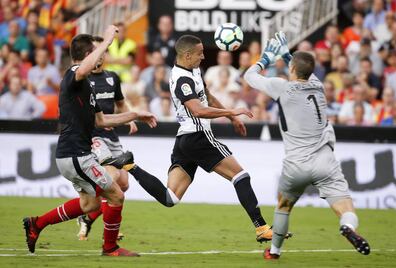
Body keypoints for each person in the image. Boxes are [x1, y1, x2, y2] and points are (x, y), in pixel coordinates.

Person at [124, 35, 275, 243]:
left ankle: (130, 165)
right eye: (200, 53)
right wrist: (233, 110)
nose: (203, 56)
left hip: (184, 141)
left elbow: (207, 96)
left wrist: (231, 118)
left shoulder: (193, 70)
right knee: (240, 176)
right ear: (187, 55)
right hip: (198, 137)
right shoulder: (181, 79)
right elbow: (198, 109)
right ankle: (261, 227)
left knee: (171, 198)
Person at [22, 25, 157, 257]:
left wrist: (134, 115)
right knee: (116, 194)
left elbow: (102, 121)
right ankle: (110, 248)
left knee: (90, 205)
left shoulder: (85, 87)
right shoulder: (73, 76)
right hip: (76, 155)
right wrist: (106, 40)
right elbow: (82, 69)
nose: (102, 56)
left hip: (74, 155)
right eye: (97, 52)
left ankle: (37, 224)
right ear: (87, 55)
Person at [244, 31, 370, 260]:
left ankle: (274, 251)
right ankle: (349, 228)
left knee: (283, 205)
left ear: (291, 70)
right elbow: (301, 67)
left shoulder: (281, 86)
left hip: (296, 164)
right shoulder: (319, 86)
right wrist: (287, 54)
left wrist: (265, 59)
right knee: (346, 207)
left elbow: (249, 76)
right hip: (325, 161)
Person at [75, 36, 138, 241]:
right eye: (96, 54)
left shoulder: (113, 77)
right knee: (111, 179)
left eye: (103, 54)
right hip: (94, 137)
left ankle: (88, 217)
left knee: (124, 184)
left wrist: (129, 119)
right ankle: (109, 230)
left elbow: (120, 103)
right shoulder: (83, 79)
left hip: (111, 136)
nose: (99, 58)